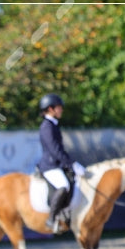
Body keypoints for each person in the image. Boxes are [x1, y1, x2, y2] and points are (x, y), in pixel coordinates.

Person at [36, 93, 86, 234]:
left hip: (57, 164)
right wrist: (72, 165)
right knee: (63, 185)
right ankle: (51, 219)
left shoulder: (53, 125)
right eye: (58, 108)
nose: (61, 110)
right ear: (50, 109)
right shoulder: (47, 126)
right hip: (50, 165)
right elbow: (55, 150)